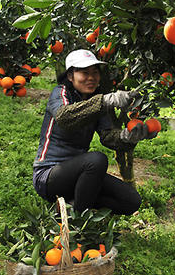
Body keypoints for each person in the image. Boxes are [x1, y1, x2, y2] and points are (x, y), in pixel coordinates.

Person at [33, 49, 156, 215]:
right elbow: (64, 117)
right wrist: (107, 100)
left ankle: (74, 204)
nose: (91, 78)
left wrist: (128, 137)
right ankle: (77, 220)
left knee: (131, 201)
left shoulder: (96, 100)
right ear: (71, 76)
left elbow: (108, 137)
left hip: (80, 176)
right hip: (49, 176)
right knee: (96, 160)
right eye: (84, 73)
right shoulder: (61, 93)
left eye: (95, 72)